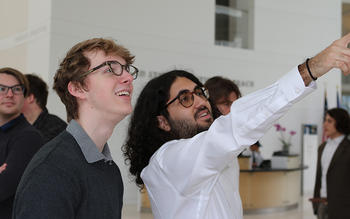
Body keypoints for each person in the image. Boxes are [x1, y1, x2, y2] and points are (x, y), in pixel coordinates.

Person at [123, 33, 350, 219]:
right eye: (185, 98)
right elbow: (231, 129)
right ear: (162, 121)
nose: (201, 101)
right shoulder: (167, 161)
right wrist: (312, 68)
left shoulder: (213, 156)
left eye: (200, 93)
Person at [13, 38, 138, 219]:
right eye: (110, 69)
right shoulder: (52, 169)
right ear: (78, 88)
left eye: (127, 69)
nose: (127, 77)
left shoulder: (110, 171)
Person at [0, 67, 44, 219]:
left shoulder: (29, 137)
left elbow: (3, 188)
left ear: (25, 96)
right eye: (2, 88)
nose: (9, 94)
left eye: (16, 89)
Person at [312, 108, 350, 219]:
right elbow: (319, 177)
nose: (325, 125)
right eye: (325, 120)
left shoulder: (348, 148)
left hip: (344, 208)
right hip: (322, 206)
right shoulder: (322, 147)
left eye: (329, 121)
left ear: (340, 123)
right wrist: (316, 204)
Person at [22, 74, 67, 143]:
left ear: (30, 98)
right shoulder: (14, 126)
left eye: (17, 91)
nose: (10, 96)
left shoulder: (57, 129)